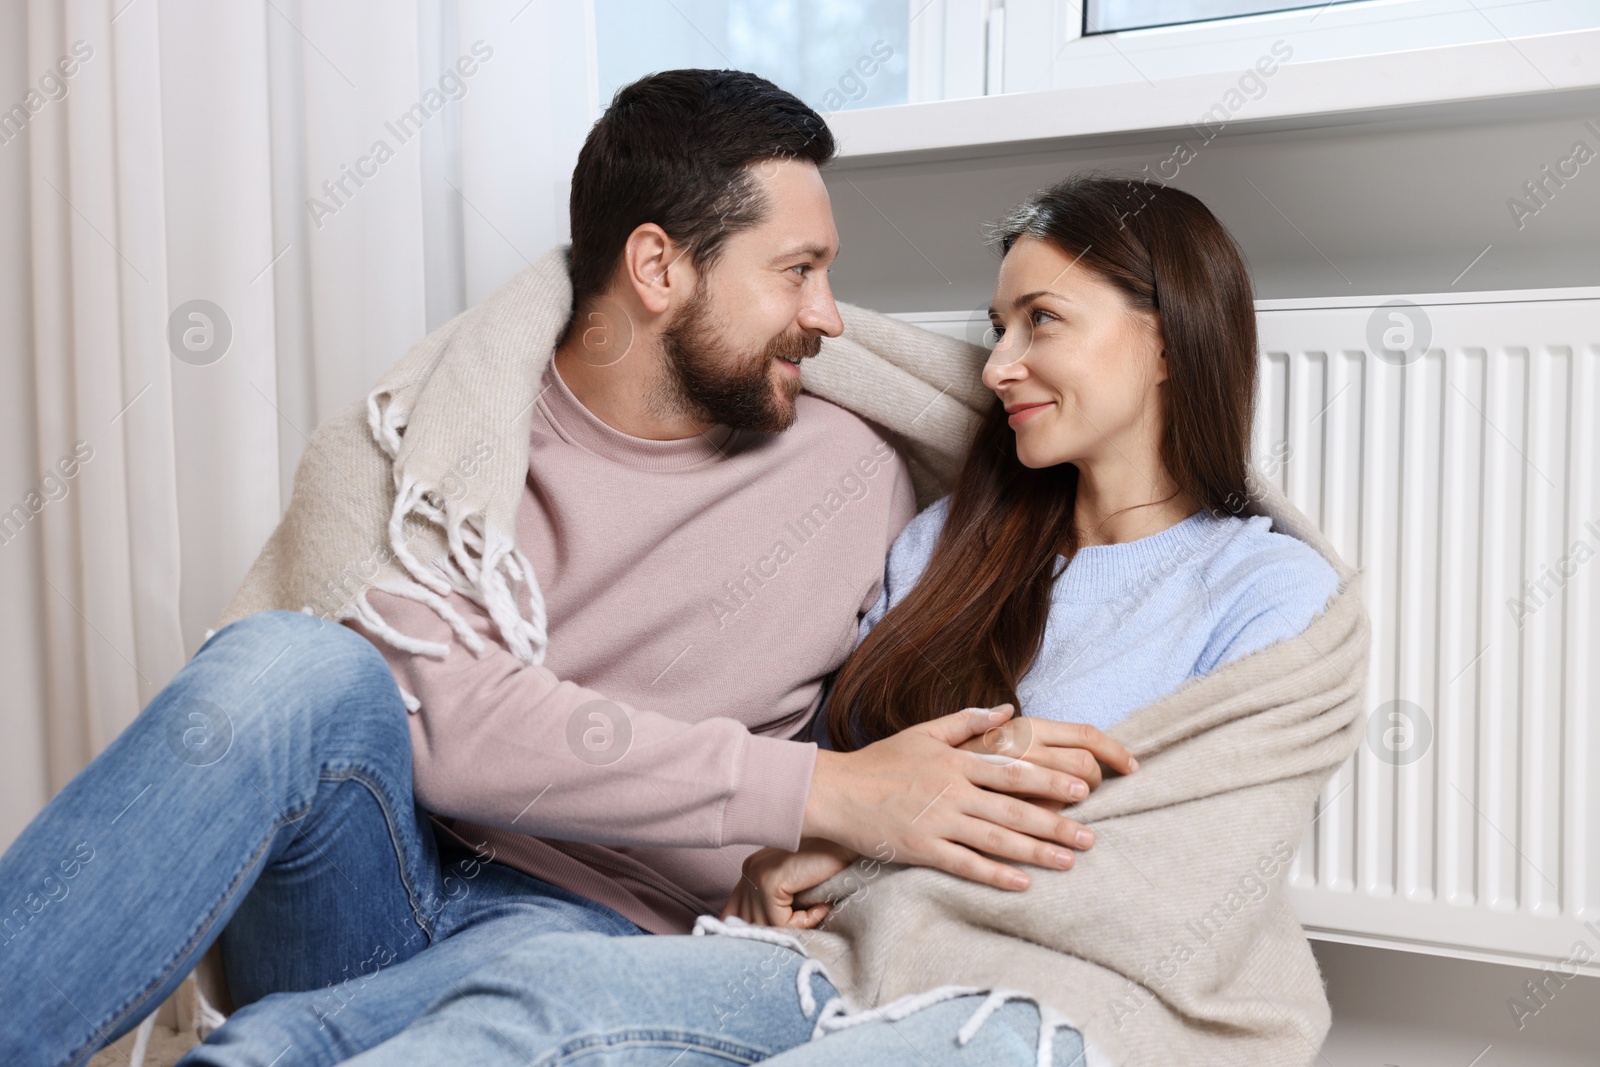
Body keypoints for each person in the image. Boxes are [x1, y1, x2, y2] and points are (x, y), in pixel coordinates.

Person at [0, 71, 1119, 1067]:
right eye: (796, 271)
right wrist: (821, 790)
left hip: (600, 932)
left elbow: (966, 655)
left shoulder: (858, 471)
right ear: (656, 267)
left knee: (331, 1035)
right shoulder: (435, 447)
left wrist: (829, 830)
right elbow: (453, 730)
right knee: (286, 663)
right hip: (369, 886)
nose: (826, 315)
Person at [337, 173, 1342, 1066]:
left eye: (1041, 320)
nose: (997, 366)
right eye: (998, 329)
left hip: (1062, 995)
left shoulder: (1265, 590)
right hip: (834, 957)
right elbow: (851, 781)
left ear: (1166, 338)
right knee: (548, 998)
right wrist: (791, 854)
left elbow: (1190, 856)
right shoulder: (944, 543)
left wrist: (927, 809)